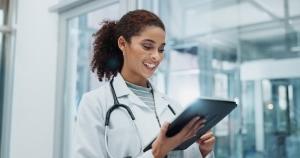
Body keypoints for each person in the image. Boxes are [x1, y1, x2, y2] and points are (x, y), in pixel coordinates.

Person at [73, 9, 215, 158]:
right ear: (122, 43)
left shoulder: (172, 106)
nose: (156, 56)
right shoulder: (95, 103)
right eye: (147, 46)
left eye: (161, 49)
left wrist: (203, 152)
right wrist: (156, 154)